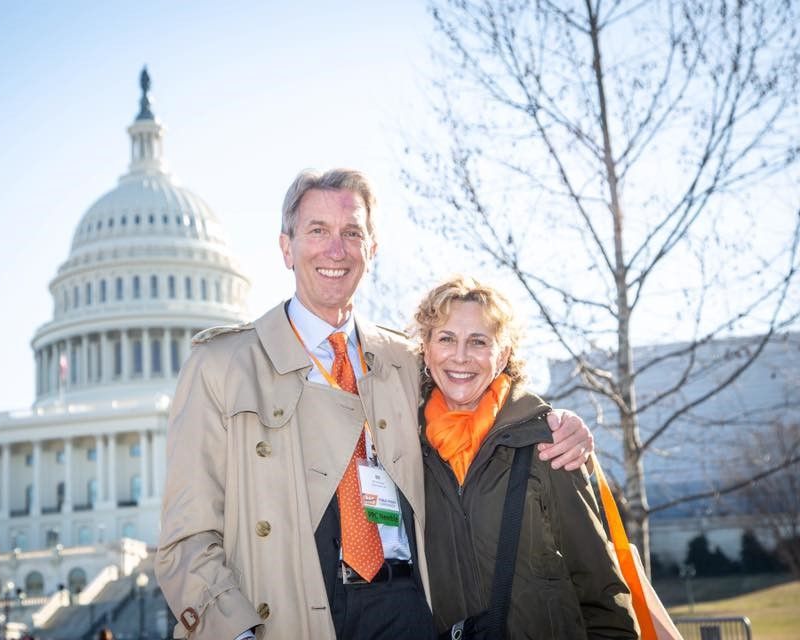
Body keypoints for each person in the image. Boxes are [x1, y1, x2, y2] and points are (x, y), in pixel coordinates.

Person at [155, 169, 594, 640]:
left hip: (403, 601)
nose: (335, 250)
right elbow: (187, 537)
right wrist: (234, 632)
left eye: (352, 233)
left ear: (372, 249)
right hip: (288, 611)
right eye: (317, 231)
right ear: (286, 247)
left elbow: (478, 393)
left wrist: (551, 420)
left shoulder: (405, 357)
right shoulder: (220, 364)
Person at [415, 276, 639, 638]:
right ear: (425, 349)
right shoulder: (406, 452)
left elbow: (600, 588)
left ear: (502, 354)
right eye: (445, 339)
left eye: (478, 342)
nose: (459, 356)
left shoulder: (547, 444)